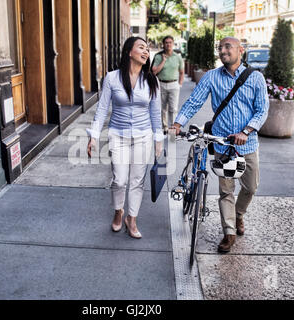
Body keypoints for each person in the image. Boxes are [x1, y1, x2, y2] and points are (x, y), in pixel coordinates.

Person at [170, 37, 269, 252]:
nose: (223, 51)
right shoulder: (211, 77)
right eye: (220, 48)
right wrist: (178, 123)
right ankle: (229, 232)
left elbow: (262, 110)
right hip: (223, 144)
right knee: (226, 191)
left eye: (227, 47)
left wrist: (246, 131)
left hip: (248, 143)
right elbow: (194, 101)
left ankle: (239, 214)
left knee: (251, 187)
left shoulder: (256, 78)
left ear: (240, 50)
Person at [87, 37, 164, 239]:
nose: (146, 52)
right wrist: (93, 136)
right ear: (129, 51)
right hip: (118, 135)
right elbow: (102, 109)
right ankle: (118, 211)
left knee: (137, 180)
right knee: (119, 180)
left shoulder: (151, 80)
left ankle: (132, 218)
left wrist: (158, 140)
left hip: (143, 136)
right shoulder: (112, 78)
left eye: (147, 49)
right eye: (141, 47)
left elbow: (156, 114)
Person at [152, 35, 185, 134]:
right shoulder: (158, 56)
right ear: (163, 44)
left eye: (170, 42)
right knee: (162, 108)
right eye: (166, 42)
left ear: (173, 43)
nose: (168, 44)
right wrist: (163, 61)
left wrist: (180, 84)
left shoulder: (177, 57)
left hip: (174, 85)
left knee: (173, 109)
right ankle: (164, 127)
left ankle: (172, 128)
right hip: (161, 84)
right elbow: (154, 72)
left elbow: (182, 72)